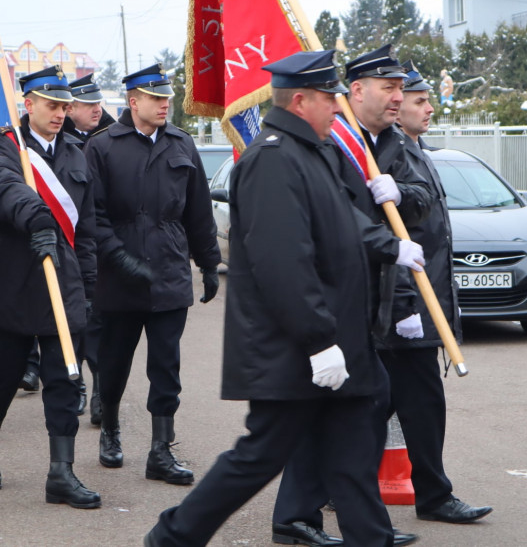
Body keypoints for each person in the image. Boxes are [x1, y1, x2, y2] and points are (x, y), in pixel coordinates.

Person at [145, 50, 396, 547]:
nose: (339, 107)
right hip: (296, 351)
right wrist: (319, 340)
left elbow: (343, 225)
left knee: (350, 462)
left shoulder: (316, 152)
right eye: (331, 98)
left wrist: (393, 245)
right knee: (260, 455)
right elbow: (283, 263)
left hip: (337, 346)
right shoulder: (273, 159)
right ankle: (173, 537)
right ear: (301, 101)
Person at [270, 44, 432, 547]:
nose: (398, 98)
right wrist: (390, 245)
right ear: (356, 91)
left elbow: (424, 202)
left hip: (367, 299)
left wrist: (400, 197)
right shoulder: (332, 144)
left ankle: (329, 520)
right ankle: (316, 519)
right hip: (330, 298)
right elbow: (333, 225)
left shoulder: (391, 144)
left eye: (401, 90)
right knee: (346, 408)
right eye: (389, 88)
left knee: (351, 408)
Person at [85, 62, 220, 485]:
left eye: (168, 98)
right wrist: (117, 258)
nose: (166, 104)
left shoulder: (181, 144)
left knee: (166, 367)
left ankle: (161, 450)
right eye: (157, 98)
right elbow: (92, 216)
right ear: (133, 101)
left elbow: (198, 211)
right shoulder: (102, 147)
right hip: (119, 277)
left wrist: (208, 262)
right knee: (114, 364)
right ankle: (109, 428)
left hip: (168, 273)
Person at [0, 65, 100, 509]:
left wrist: (88, 281)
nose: (61, 113)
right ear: (28, 104)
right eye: (52, 105)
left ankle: (61, 473)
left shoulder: (77, 154)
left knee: (65, 375)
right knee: (7, 372)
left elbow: (87, 225)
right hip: (16, 278)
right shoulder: (3, 147)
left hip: (64, 280)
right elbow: (2, 188)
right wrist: (38, 216)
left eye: (65, 106)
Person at [389, 61, 493, 525]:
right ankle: (430, 496)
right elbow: (386, 240)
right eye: (419, 101)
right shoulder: (387, 155)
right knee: (399, 405)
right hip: (403, 306)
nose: (429, 108)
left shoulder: (415, 149)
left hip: (424, 305)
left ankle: (428, 493)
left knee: (406, 405)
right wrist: (405, 304)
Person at [63, 72, 116, 425]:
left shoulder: (112, 137)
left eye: (98, 102)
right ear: (70, 109)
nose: (96, 109)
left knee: (100, 325)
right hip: (67, 244)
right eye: (87, 104)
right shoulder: (56, 140)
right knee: (70, 323)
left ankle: (99, 391)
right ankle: (75, 383)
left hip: (101, 243)